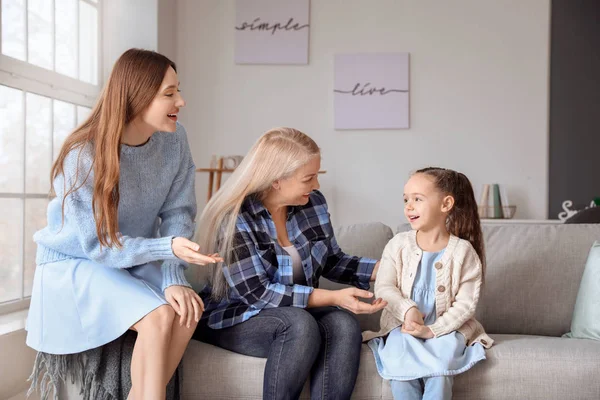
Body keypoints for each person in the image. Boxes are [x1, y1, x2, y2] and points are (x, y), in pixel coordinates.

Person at [26, 48, 221, 400]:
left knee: (188, 310)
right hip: (77, 262)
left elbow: (179, 212)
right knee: (160, 317)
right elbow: (98, 246)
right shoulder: (82, 154)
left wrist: (175, 276)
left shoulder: (175, 140)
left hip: (133, 254)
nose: (181, 100)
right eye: (169, 93)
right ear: (137, 97)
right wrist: (167, 248)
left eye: (178, 90)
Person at [194, 127, 387, 400]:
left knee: (344, 324)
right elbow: (257, 293)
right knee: (299, 324)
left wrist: (386, 268)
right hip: (236, 316)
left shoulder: (312, 204)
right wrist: (333, 297)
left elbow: (332, 260)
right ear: (276, 180)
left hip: (296, 310)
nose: (317, 185)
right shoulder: (234, 218)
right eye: (309, 178)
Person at [363, 167, 493, 400]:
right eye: (406, 199)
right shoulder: (398, 244)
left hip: (445, 331)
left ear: (446, 204)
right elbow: (384, 287)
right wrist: (407, 309)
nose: (408, 206)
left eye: (417, 199)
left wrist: (433, 330)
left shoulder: (463, 252)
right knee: (401, 374)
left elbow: (465, 305)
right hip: (404, 329)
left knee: (439, 373)